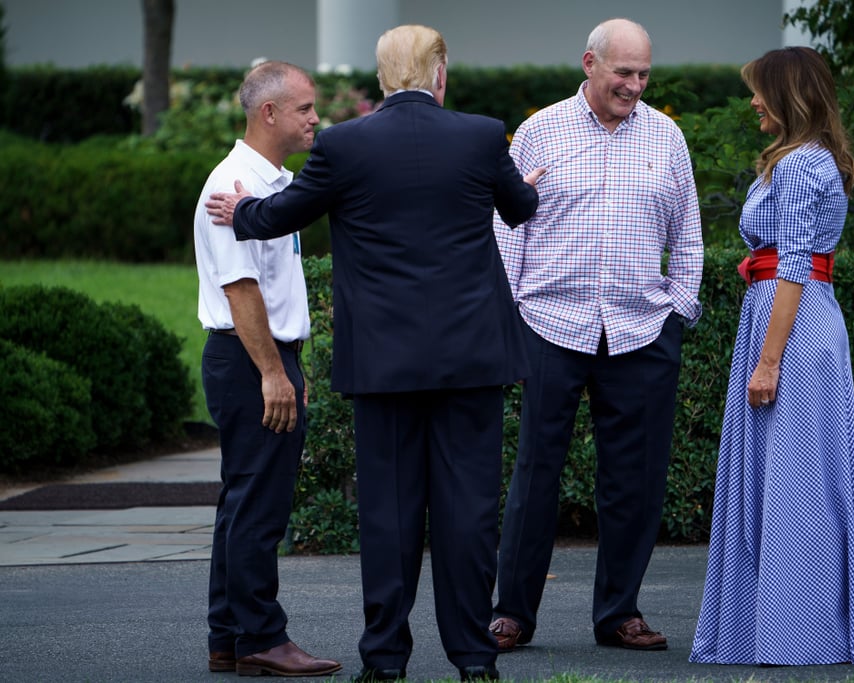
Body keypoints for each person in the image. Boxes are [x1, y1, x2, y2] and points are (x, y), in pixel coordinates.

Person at [205, 25, 544, 682]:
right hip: (472, 358)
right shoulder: (480, 135)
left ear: (384, 79)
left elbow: (282, 215)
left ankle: (385, 659)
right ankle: (474, 658)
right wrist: (518, 184)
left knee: (387, 514)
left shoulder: (344, 144)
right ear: (439, 74)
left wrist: (242, 210)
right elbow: (521, 207)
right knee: (468, 511)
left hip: (383, 362)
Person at [489, 17, 703, 653]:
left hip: (641, 330)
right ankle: (513, 614)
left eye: (643, 75)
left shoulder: (666, 136)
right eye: (623, 73)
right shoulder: (539, 130)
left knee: (634, 480)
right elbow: (507, 225)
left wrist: (679, 309)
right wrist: (511, 309)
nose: (634, 86)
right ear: (590, 63)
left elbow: (687, 232)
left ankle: (619, 613)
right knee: (535, 473)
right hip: (550, 324)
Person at [688, 47, 854, 666]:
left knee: (794, 479)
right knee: (795, 475)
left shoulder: (799, 167)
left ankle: (797, 631)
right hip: (794, 318)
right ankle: (786, 626)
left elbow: (792, 266)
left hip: (792, 323)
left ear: (788, 96)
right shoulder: (804, 160)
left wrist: (768, 359)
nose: (753, 101)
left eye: (760, 91)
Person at [194, 61, 342, 677]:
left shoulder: (275, 181)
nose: (316, 119)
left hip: (259, 357)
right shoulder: (233, 183)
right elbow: (240, 290)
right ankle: (261, 637)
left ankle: (229, 636)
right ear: (269, 113)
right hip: (251, 356)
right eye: (306, 108)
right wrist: (274, 374)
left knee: (242, 499)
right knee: (260, 505)